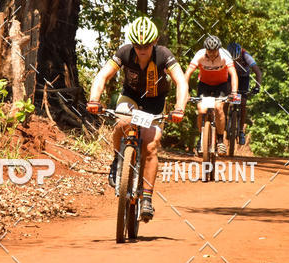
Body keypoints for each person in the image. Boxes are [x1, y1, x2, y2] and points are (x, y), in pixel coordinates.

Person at [86, 17, 188, 222]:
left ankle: (147, 198)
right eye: (138, 46)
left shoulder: (164, 55)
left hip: (155, 103)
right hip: (130, 97)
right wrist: (94, 99)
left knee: (151, 145)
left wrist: (179, 108)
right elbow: (103, 75)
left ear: (154, 42)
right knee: (122, 122)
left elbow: (181, 81)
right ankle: (117, 160)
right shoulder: (124, 52)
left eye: (146, 45)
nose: (142, 50)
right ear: (132, 44)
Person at [184, 35, 239, 155]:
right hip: (204, 85)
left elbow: (233, 74)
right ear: (206, 50)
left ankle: (220, 141)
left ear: (219, 49)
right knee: (201, 110)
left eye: (215, 51)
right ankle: (201, 138)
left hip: (221, 85)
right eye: (210, 51)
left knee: (219, 108)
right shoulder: (199, 55)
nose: (212, 54)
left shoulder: (225, 55)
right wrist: (185, 92)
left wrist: (234, 92)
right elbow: (187, 74)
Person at [227, 42, 262, 145]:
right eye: (233, 60)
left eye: (237, 59)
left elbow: (258, 72)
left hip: (243, 78)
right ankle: (223, 122)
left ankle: (241, 131)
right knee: (225, 100)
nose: (235, 61)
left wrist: (257, 87)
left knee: (243, 103)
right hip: (230, 77)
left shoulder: (246, 56)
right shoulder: (225, 56)